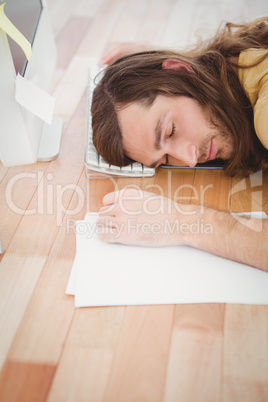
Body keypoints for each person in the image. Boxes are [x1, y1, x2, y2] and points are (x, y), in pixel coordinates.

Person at [91, 17, 268, 271]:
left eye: (170, 131)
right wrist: (146, 60)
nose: (190, 159)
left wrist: (180, 220)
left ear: (181, 70)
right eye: (164, 159)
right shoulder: (234, 64)